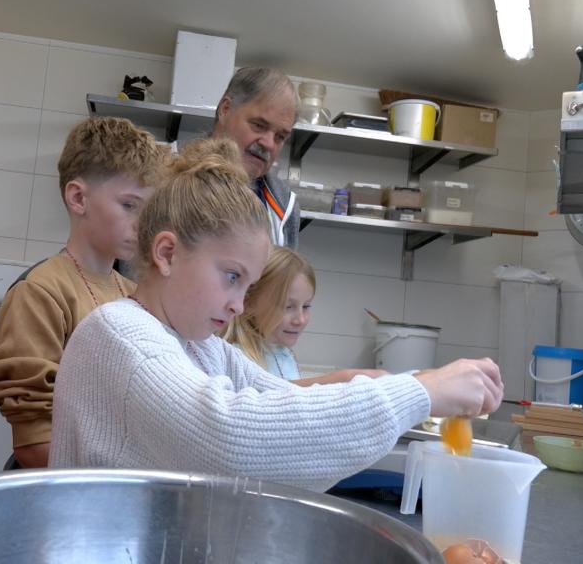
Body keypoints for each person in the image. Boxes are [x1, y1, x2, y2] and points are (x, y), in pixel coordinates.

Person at [49, 149, 503, 492]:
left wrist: (406, 382)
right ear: (167, 253)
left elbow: (281, 403)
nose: (238, 305)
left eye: (246, 287)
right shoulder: (123, 337)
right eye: (231, 276)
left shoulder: (198, 345)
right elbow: (232, 437)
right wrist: (422, 392)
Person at [0, 117, 163, 468]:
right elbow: (34, 445)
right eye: (129, 205)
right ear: (78, 198)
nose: (142, 224)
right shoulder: (41, 292)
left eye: (147, 209)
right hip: (59, 493)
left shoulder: (133, 294)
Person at [223, 246, 384, 386]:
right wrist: (340, 379)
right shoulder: (236, 359)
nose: (300, 320)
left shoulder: (284, 354)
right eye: (288, 307)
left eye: (306, 306)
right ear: (249, 302)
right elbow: (268, 399)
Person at [212, 67, 300, 249]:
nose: (269, 144)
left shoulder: (285, 206)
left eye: (280, 137)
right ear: (225, 109)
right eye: (259, 125)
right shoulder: (162, 177)